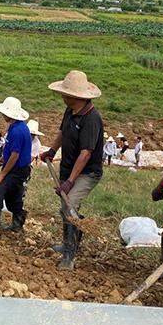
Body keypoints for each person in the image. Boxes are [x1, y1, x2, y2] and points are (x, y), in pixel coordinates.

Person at [41, 70, 104, 270]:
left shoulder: (91, 119)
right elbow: (62, 132)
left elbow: (85, 153)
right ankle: (70, 242)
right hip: (68, 168)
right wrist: (52, 150)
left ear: (75, 96)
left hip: (87, 172)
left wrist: (70, 182)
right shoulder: (70, 112)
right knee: (66, 208)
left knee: (70, 207)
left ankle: (69, 254)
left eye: (65, 93)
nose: (62, 95)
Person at [0, 97, 31, 236]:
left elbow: (15, 154)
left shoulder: (17, 131)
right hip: (17, 167)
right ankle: (17, 226)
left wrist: (2, 174)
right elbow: (13, 152)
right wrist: (4, 158)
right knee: (13, 197)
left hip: (17, 170)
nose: (2, 116)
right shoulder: (17, 127)